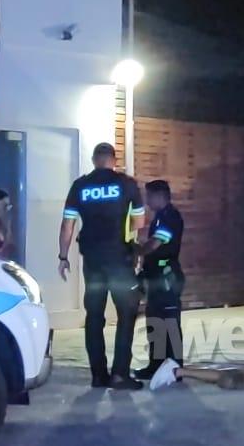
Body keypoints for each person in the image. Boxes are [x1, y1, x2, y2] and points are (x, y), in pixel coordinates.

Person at [59, 143, 146, 390]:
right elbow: (139, 222)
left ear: (94, 160)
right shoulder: (127, 184)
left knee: (94, 316)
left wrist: (63, 256)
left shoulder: (80, 186)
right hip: (119, 260)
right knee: (126, 314)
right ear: (113, 160)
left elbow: (67, 225)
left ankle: (98, 375)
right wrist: (132, 244)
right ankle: (120, 374)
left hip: (93, 262)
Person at [133, 180, 186, 381]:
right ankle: (155, 365)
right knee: (155, 322)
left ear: (159, 196)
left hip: (166, 277)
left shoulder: (169, 217)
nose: (147, 201)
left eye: (149, 196)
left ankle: (174, 369)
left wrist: (137, 250)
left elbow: (155, 244)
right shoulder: (160, 217)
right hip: (157, 276)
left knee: (169, 323)